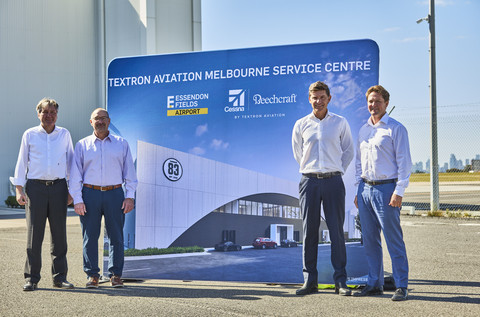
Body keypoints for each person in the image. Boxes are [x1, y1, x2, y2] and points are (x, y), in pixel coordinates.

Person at [292, 81, 354, 296]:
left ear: (329, 98)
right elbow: (298, 153)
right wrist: (311, 169)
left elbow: (348, 151)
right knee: (309, 232)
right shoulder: (301, 124)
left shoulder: (340, 122)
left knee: (336, 231)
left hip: (333, 181)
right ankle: (310, 281)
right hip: (309, 182)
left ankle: (341, 282)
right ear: (309, 99)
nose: (318, 101)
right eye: (314, 97)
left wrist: (336, 170)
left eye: (322, 97)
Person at [353, 85, 412, 301]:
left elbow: (405, 163)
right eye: (370, 101)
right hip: (365, 189)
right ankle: (374, 283)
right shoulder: (363, 130)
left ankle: (401, 285)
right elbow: (359, 163)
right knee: (370, 240)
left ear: (386, 103)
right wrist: (358, 189)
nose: (373, 105)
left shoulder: (395, 128)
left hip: (387, 189)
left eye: (377, 101)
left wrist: (399, 191)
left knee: (393, 240)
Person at [69, 108, 137, 289]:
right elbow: (75, 175)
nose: (100, 121)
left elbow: (130, 172)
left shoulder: (121, 144)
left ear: (109, 121)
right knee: (90, 237)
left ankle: (115, 275)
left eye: (103, 118)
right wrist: (77, 199)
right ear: (90, 122)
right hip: (89, 194)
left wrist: (130, 197)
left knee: (116, 236)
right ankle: (92, 275)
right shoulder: (82, 145)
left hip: (115, 193)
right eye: (96, 119)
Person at [12, 98, 75, 291]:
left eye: (53, 112)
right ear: (38, 113)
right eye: (45, 112)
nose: (49, 116)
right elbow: (22, 162)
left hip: (58, 188)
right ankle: (32, 278)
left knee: (59, 236)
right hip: (35, 189)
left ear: (57, 114)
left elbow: (71, 163)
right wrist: (19, 189)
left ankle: (60, 277)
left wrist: (72, 191)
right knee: (34, 236)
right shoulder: (30, 134)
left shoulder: (64, 134)